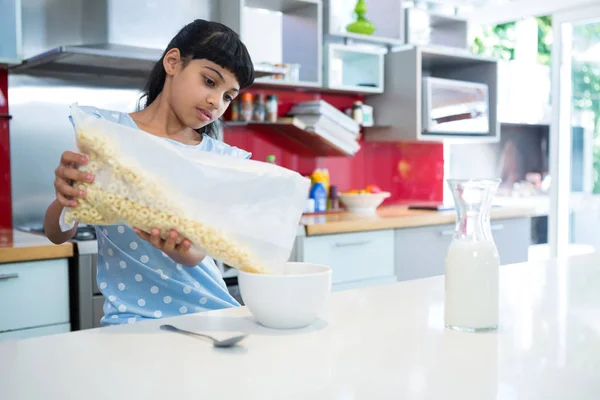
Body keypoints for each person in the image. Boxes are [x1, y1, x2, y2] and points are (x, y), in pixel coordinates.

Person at [44, 19, 255, 326]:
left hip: (213, 316)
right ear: (173, 62)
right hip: (129, 322)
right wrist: (66, 198)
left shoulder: (219, 159)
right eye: (210, 81)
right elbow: (57, 234)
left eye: (228, 96)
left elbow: (200, 253)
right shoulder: (106, 134)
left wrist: (187, 252)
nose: (216, 101)